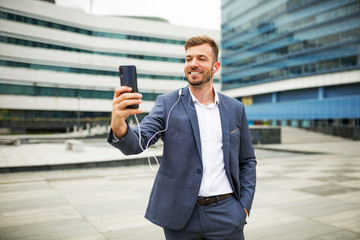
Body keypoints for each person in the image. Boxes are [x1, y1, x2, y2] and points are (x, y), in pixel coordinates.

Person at [108, 35, 256, 240]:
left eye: (201, 58)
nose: (193, 64)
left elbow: (247, 160)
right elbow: (135, 144)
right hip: (180, 218)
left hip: (227, 213)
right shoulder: (167, 103)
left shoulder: (235, 108)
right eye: (188, 59)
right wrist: (118, 123)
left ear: (216, 66)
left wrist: (244, 208)